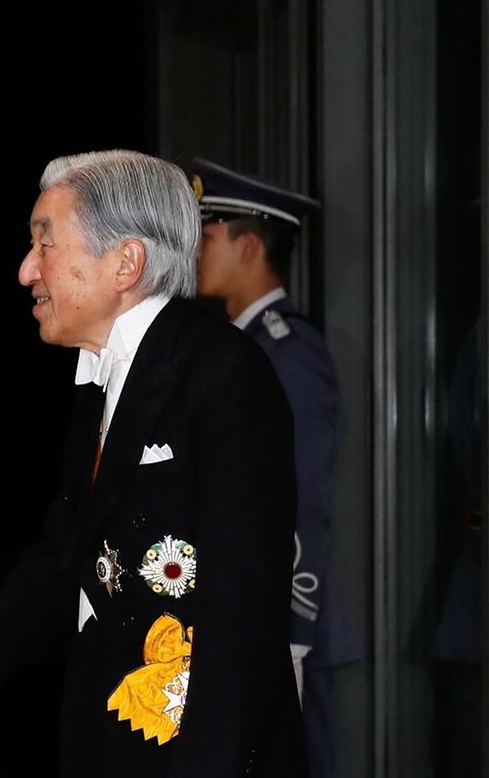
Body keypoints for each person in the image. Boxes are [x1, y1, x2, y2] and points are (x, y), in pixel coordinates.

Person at [0, 149, 307, 776]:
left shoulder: (226, 375)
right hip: (110, 734)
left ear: (126, 263)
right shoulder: (101, 373)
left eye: (45, 244)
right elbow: (68, 550)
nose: (26, 270)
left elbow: (241, 615)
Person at [188, 157, 360, 777]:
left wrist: (294, 622)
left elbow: (307, 495)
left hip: (287, 622)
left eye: (208, 237)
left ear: (250, 246)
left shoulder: (287, 351)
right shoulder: (244, 345)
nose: (195, 252)